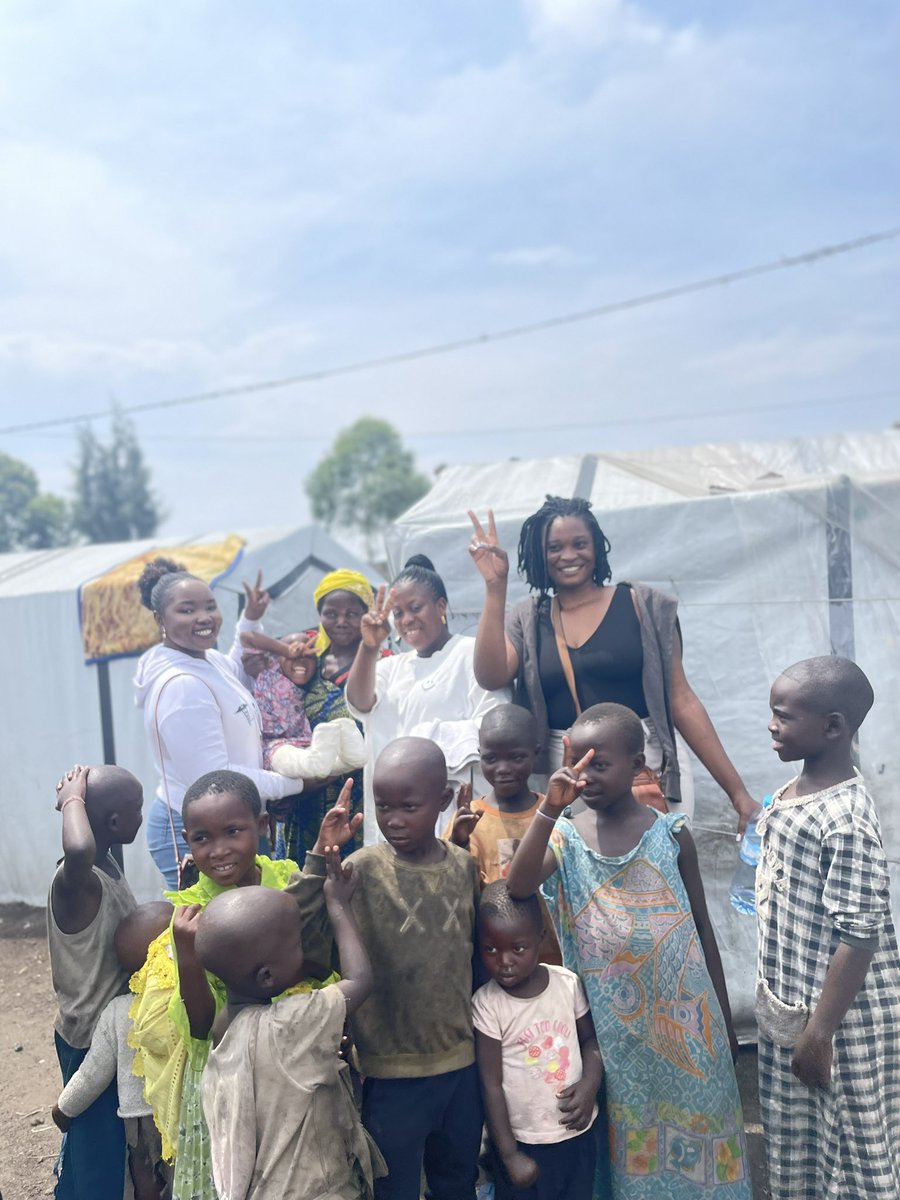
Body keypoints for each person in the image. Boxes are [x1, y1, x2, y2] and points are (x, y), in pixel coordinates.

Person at [507, 704, 750, 1199]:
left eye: (599, 764)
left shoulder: (671, 835)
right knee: (628, 1150)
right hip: (614, 1040)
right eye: (577, 764)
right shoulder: (567, 838)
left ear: (638, 764)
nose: (585, 777)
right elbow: (519, 884)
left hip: (690, 1032)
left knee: (704, 1142)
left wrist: (723, 1024)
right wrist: (549, 808)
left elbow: (703, 931)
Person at [467, 500, 758, 834]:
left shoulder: (642, 606)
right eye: (555, 547)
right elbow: (491, 676)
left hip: (645, 764)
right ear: (539, 554)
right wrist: (495, 586)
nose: (568, 555)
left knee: (662, 861)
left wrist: (738, 794)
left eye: (579, 544)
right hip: (572, 772)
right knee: (583, 865)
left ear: (597, 547)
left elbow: (683, 701)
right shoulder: (529, 619)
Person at [127, 769, 342, 1200]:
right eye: (202, 838)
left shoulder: (285, 879)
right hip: (233, 1075)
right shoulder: (190, 915)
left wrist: (320, 852)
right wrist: (187, 953)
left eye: (233, 831)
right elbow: (201, 1028)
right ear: (186, 841)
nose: (219, 850)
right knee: (236, 1175)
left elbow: (319, 955)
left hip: (299, 1053)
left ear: (262, 826)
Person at [287, 737, 483, 1200]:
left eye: (408, 807)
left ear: (442, 800)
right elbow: (303, 942)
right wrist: (317, 857)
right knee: (393, 1186)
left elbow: (473, 955)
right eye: (383, 806)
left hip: (459, 1066)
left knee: (457, 1182)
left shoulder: (462, 867)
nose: (393, 819)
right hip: (389, 1073)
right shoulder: (361, 869)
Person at [757, 657, 900, 1200]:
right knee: (805, 1144)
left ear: (833, 727)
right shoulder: (796, 790)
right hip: (795, 1008)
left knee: (851, 1148)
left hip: (840, 1023)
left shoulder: (845, 820)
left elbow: (860, 936)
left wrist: (820, 1033)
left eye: (783, 716)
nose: (772, 725)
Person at [196, 873, 385, 1199]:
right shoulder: (289, 1022)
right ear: (266, 976)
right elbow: (360, 980)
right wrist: (338, 904)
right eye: (298, 943)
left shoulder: (225, 1032)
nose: (305, 947)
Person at [134, 559, 302, 886]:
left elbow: (233, 673)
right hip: (199, 831)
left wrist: (250, 619)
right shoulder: (182, 686)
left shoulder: (207, 660)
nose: (203, 617)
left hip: (229, 821)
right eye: (187, 610)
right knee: (209, 916)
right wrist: (297, 783)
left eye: (210, 607)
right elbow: (214, 780)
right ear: (160, 619)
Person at [346, 554, 509, 840]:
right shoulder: (389, 667)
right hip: (393, 818)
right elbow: (360, 704)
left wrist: (425, 738)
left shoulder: (471, 654)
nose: (407, 619)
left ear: (441, 606)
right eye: (398, 613)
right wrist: (369, 647)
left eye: (415, 608)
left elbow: (496, 724)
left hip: (451, 811)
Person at [47, 763, 143, 1200]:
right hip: (88, 1039)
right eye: (137, 809)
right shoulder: (76, 884)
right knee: (98, 1153)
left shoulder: (108, 864)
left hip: (113, 1032)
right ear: (115, 822)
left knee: (98, 1146)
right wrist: (72, 799)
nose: (142, 816)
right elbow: (79, 849)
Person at [473, 881, 603, 1200]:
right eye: (490, 949)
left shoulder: (566, 984)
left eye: (517, 949)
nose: (504, 960)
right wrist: (509, 1155)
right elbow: (490, 1083)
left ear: (540, 939)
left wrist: (590, 1084)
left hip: (577, 1134)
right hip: (523, 1143)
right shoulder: (488, 1004)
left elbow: (590, 1042)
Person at [52, 902, 174, 1200]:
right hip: (183, 1114)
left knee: (145, 1175)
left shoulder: (118, 1011)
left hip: (142, 1121)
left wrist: (64, 1109)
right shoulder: (190, 1000)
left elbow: (93, 1072)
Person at [446, 704, 562, 965]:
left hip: (553, 953)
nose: (503, 768)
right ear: (479, 756)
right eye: (491, 759)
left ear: (536, 754)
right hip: (496, 959)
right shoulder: (470, 819)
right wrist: (459, 843)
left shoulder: (554, 814)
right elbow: (453, 887)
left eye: (516, 757)